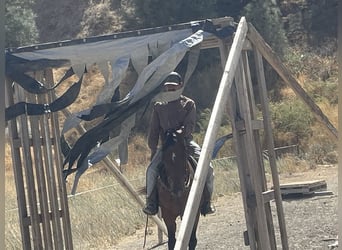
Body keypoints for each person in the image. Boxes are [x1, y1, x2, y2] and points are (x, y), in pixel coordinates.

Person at [143, 71, 215, 216]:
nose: (170, 90)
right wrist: (153, 148)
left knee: (208, 167)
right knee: (151, 171)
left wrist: (181, 133)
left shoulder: (188, 103)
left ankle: (207, 201)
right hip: (166, 144)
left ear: (180, 87)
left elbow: (190, 125)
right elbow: (154, 129)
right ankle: (151, 202)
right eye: (168, 88)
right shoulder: (158, 106)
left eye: (173, 88)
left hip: (185, 142)